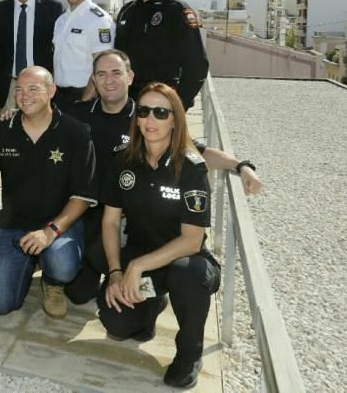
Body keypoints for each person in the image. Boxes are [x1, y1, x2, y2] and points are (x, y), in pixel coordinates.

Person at [63, 49, 262, 305]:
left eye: (116, 73)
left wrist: (241, 165)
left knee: (114, 290)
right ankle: (128, 282)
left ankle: (149, 288)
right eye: (101, 74)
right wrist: (13, 115)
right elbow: (45, 122)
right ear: (94, 79)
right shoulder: (78, 114)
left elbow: (195, 150)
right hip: (91, 210)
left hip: (126, 213)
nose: (109, 80)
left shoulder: (147, 114)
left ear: (130, 76)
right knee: (79, 293)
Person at [98, 82, 221, 388]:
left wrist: (136, 268)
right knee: (116, 321)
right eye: (143, 111)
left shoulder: (191, 168)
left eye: (160, 112)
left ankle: (189, 353)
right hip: (143, 256)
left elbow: (192, 240)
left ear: (175, 120)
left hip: (185, 261)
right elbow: (111, 222)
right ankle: (151, 304)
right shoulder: (125, 160)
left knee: (187, 275)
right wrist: (116, 272)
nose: (150, 119)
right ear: (136, 118)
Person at [0, 66, 96, 318]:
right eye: (19, 90)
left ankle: (53, 282)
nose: (24, 96)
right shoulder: (3, 129)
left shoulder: (75, 133)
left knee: (63, 265)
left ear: (52, 91)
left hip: (59, 225)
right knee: (0, 305)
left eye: (33, 89)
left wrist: (49, 233)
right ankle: (25, 264)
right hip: (14, 225)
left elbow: (82, 197)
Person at [115, 0, 208, 110]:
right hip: (127, 106)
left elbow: (197, 65)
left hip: (162, 107)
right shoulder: (126, 12)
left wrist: (178, 105)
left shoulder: (177, 10)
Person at [51, 0, 115, 111]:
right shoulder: (61, 20)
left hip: (83, 97)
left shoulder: (99, 20)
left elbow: (102, 66)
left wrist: (85, 101)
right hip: (59, 97)